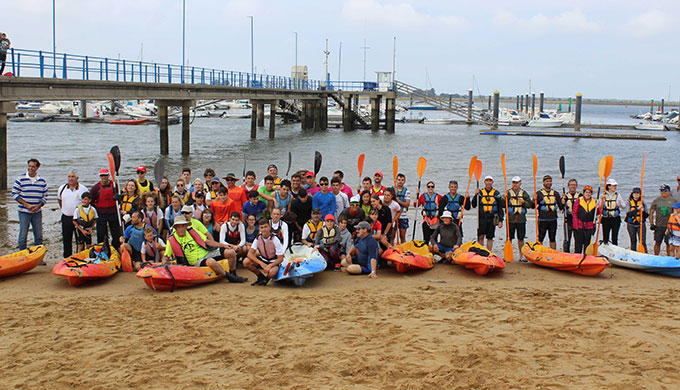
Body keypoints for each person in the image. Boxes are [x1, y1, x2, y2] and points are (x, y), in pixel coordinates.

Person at [162, 216, 245, 283]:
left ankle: (234, 273)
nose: (181, 229)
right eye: (179, 227)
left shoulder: (192, 231)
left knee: (230, 252)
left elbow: (207, 241)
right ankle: (229, 277)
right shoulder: (172, 240)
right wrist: (165, 263)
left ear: (186, 226)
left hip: (206, 252)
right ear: (175, 228)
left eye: (183, 226)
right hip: (195, 261)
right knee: (211, 261)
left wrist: (223, 245)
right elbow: (166, 256)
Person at [12, 159, 48, 251]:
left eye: (33, 166)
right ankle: (22, 256)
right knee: (23, 236)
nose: (30, 168)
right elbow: (14, 194)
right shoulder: (20, 179)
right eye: (29, 166)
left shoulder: (42, 181)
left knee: (39, 235)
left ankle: (38, 257)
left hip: (37, 212)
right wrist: (26, 205)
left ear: (37, 168)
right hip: (24, 211)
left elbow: (45, 196)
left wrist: (38, 206)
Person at [244, 218, 285, 286]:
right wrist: (261, 263)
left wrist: (270, 265)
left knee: (272, 272)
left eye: (266, 227)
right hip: (263, 259)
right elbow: (250, 254)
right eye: (262, 227)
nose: (264, 229)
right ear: (259, 229)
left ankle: (266, 279)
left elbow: (280, 258)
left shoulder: (275, 239)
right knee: (246, 262)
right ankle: (260, 277)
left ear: (269, 227)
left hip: (273, 261)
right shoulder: (258, 238)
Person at [57, 170, 88, 258]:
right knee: (66, 239)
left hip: (79, 219)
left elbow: (87, 202)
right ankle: (67, 258)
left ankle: (80, 257)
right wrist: (65, 209)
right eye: (69, 177)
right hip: (66, 217)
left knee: (80, 240)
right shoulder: (62, 188)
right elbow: (60, 200)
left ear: (77, 178)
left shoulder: (83, 189)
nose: (70, 179)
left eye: (73, 177)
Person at [503, 176, 533, 260]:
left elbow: (530, 205)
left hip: (521, 219)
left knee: (521, 238)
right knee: (509, 238)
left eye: (516, 183)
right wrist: (503, 198)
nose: (515, 184)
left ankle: (521, 255)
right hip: (510, 219)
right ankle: (507, 255)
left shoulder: (524, 193)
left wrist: (524, 202)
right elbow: (502, 204)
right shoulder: (508, 193)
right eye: (513, 182)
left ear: (520, 183)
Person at [471, 176, 504, 250]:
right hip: (482, 217)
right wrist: (475, 195)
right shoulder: (480, 192)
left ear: (492, 182)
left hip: (492, 218)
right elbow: (473, 204)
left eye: (490, 181)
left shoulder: (496, 193)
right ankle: (481, 251)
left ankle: (489, 252)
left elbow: (500, 208)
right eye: (487, 181)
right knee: (481, 236)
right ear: (484, 182)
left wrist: (500, 220)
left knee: (490, 237)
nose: (488, 182)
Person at [91, 168, 121, 245]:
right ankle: (102, 249)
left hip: (113, 213)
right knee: (101, 234)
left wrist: (118, 196)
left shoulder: (115, 185)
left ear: (108, 175)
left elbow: (120, 198)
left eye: (105, 175)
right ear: (100, 176)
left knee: (116, 233)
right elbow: (91, 201)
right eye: (102, 175)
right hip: (101, 214)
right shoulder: (95, 188)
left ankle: (116, 248)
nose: (104, 177)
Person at [534, 175, 563, 250]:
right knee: (541, 238)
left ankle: (553, 253)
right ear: (543, 183)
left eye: (550, 181)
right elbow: (532, 206)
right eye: (547, 181)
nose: (549, 183)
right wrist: (534, 200)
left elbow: (561, 207)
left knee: (552, 238)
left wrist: (563, 201)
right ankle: (539, 252)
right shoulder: (539, 194)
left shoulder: (556, 193)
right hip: (542, 220)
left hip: (553, 219)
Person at [650, 184, 678, 256]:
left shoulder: (673, 201)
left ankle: (669, 257)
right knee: (657, 242)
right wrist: (651, 223)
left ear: (669, 191)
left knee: (669, 243)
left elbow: (677, 213)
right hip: (659, 225)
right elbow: (651, 212)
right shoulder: (656, 201)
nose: (663, 192)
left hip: (669, 226)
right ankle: (656, 256)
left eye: (665, 190)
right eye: (662, 190)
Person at [598, 179, 626, 245]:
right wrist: (601, 199)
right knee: (605, 237)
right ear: (609, 186)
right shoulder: (603, 195)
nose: (615, 187)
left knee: (614, 237)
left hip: (615, 218)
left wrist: (620, 205)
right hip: (606, 218)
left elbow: (624, 206)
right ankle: (606, 250)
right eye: (613, 186)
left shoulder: (618, 195)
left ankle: (615, 250)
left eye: (615, 186)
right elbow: (598, 205)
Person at [572, 186, 597, 254]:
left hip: (590, 226)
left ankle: (586, 257)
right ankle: (577, 257)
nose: (588, 194)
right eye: (586, 192)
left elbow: (597, 213)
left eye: (589, 192)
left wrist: (598, 207)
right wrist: (575, 226)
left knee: (587, 243)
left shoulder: (595, 201)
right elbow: (574, 213)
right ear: (583, 193)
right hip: (580, 225)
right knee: (578, 244)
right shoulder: (578, 200)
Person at [624, 188, 648, 252]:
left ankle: (644, 253)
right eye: (634, 193)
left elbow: (646, 215)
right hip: (631, 224)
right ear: (632, 194)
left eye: (637, 193)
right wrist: (637, 209)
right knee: (633, 240)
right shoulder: (628, 202)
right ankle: (633, 253)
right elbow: (628, 214)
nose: (636, 195)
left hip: (640, 224)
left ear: (640, 195)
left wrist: (642, 211)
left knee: (642, 241)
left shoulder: (643, 202)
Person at [562, 179, 581, 252]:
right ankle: (566, 253)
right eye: (571, 185)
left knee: (578, 239)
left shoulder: (580, 196)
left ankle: (577, 254)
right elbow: (561, 207)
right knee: (567, 238)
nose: (573, 186)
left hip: (577, 220)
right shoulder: (565, 196)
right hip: (568, 220)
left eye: (574, 185)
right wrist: (562, 202)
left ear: (576, 186)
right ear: (568, 186)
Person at [394, 173, 411, 244]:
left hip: (403, 216)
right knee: (392, 236)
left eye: (402, 180)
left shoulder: (407, 191)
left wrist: (398, 200)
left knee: (402, 236)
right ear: (396, 181)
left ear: (404, 181)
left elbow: (407, 204)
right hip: (394, 216)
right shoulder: (393, 190)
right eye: (399, 180)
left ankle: (404, 251)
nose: (400, 181)